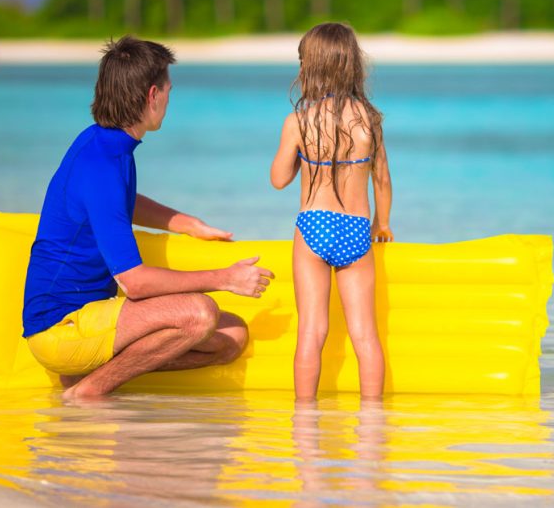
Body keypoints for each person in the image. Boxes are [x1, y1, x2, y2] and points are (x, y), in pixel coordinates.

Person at [22, 36, 273, 400]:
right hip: (60, 327)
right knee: (199, 313)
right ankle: (88, 391)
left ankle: (86, 375)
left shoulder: (104, 143)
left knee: (231, 337)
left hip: (94, 317)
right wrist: (225, 278)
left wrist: (187, 224)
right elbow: (134, 283)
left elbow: (120, 202)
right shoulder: (104, 164)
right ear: (152, 95)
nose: (170, 100)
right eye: (169, 90)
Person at [270, 22, 392, 401]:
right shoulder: (370, 120)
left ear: (310, 67)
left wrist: (302, 158)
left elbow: (277, 179)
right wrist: (382, 224)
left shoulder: (298, 121)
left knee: (311, 331)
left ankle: (304, 417)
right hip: (357, 230)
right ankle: (372, 418)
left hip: (313, 226)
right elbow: (383, 181)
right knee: (365, 333)